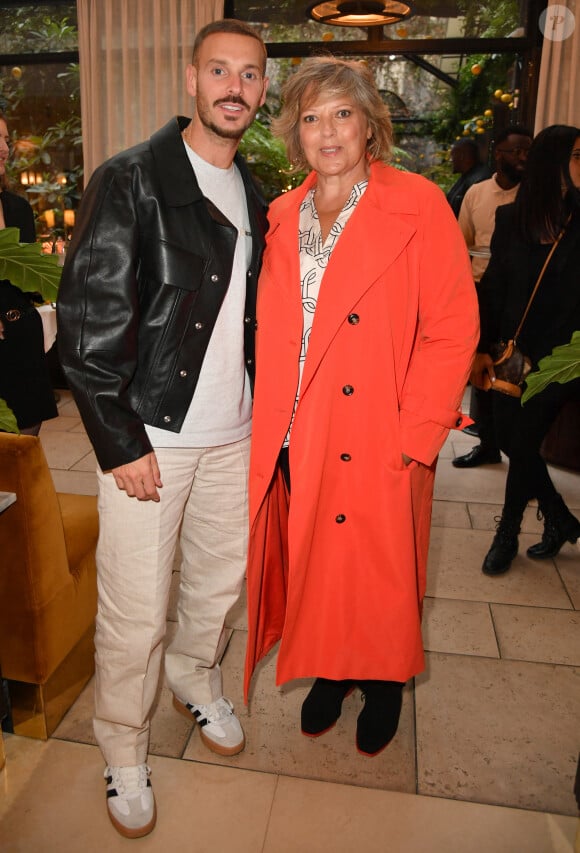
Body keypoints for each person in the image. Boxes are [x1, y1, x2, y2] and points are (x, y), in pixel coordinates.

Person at [57, 20, 269, 839]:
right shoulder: (133, 178)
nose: (234, 88)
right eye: (219, 70)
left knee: (217, 586)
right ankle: (123, 746)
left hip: (233, 433)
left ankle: (196, 677)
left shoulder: (251, 189)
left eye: (249, 75)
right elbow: (86, 324)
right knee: (135, 609)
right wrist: (120, 439)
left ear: (260, 88)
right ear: (191, 79)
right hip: (153, 436)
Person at [243, 58, 479, 758]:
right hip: (304, 426)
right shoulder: (282, 216)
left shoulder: (418, 203)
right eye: (311, 117)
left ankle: (382, 683)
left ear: (369, 124)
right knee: (319, 557)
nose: (328, 131)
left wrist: (418, 432)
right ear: (296, 134)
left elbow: (454, 324)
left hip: (383, 422)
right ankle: (332, 667)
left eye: (342, 113)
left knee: (380, 564)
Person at [471, 124, 580, 576]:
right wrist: (480, 347)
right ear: (553, 163)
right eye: (576, 155)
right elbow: (494, 288)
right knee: (515, 442)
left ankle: (507, 532)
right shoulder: (513, 218)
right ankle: (559, 518)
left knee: (524, 439)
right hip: (512, 354)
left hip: (562, 358)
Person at [453, 125, 533, 468]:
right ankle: (486, 442)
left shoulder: (532, 196)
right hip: (479, 289)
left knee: (515, 366)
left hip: (519, 292)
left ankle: (520, 446)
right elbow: (462, 241)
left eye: (527, 152)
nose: (522, 158)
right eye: (515, 151)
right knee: (480, 364)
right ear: (497, 153)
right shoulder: (476, 192)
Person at [0, 112, 57, 434]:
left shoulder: (18, 208)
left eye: (6, 139)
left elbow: (29, 280)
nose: (5, 148)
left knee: (26, 443)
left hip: (21, 335)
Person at [446, 138, 491, 218]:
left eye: (453, 155)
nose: (450, 160)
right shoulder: (466, 177)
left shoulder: (479, 181)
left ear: (462, 156)